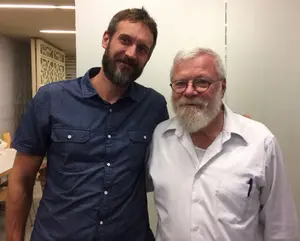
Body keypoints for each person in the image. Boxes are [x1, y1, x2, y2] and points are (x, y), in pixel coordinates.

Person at [6, 7, 168, 241]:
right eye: (125, 40)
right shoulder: (51, 99)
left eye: (142, 49)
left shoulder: (153, 106)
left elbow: (177, 157)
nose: (131, 53)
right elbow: (21, 178)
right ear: (106, 39)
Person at [148, 48, 299, 241]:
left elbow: (281, 227)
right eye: (180, 83)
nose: (189, 91)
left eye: (202, 82)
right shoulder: (160, 137)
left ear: (223, 87)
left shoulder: (259, 142)